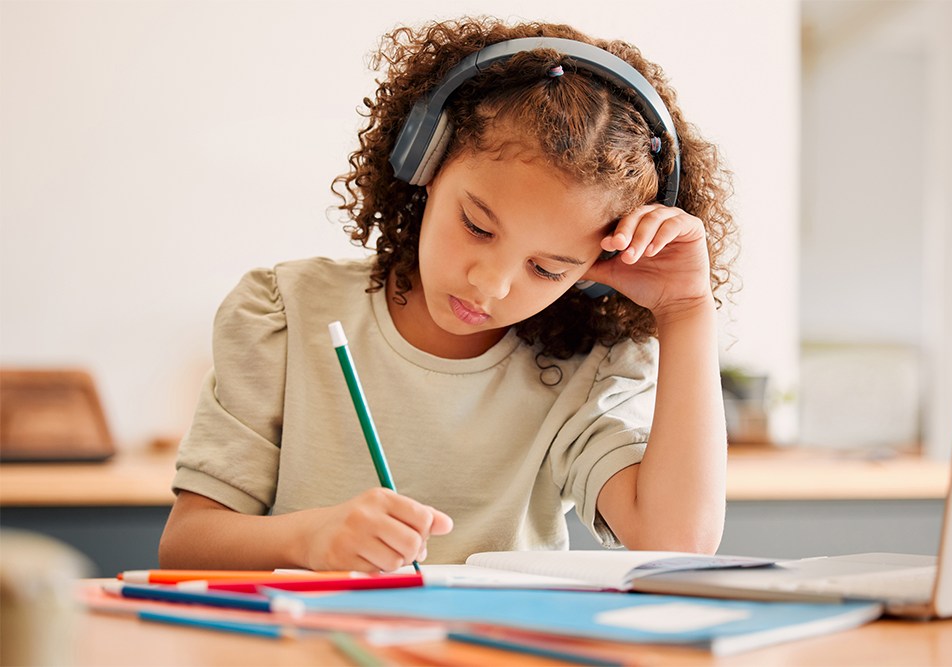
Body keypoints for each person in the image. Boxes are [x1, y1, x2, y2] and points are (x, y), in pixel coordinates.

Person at [158, 16, 736, 573]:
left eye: (548, 269)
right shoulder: (288, 312)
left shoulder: (588, 368)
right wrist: (310, 539)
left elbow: (677, 543)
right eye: (478, 227)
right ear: (425, 159)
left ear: (597, 264)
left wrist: (685, 311)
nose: (491, 283)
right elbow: (187, 543)